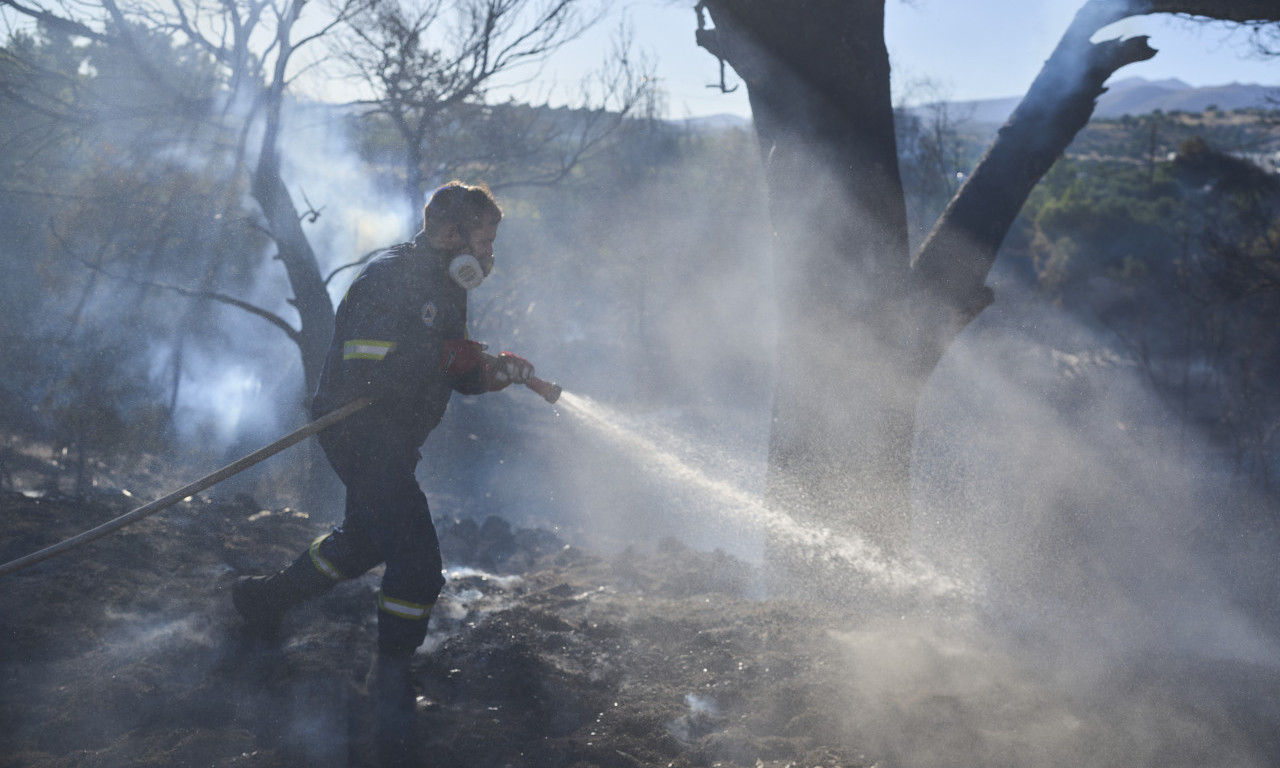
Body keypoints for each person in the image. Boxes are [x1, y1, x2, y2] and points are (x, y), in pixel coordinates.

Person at [231, 180, 535, 751]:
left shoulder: (448, 286)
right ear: (450, 233)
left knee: (365, 541)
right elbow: (367, 368)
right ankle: (392, 683)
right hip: (358, 429)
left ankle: (262, 601)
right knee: (418, 564)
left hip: (393, 436)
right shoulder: (389, 277)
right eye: (485, 240)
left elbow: (453, 374)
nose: (490, 255)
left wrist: (492, 374)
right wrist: (445, 356)